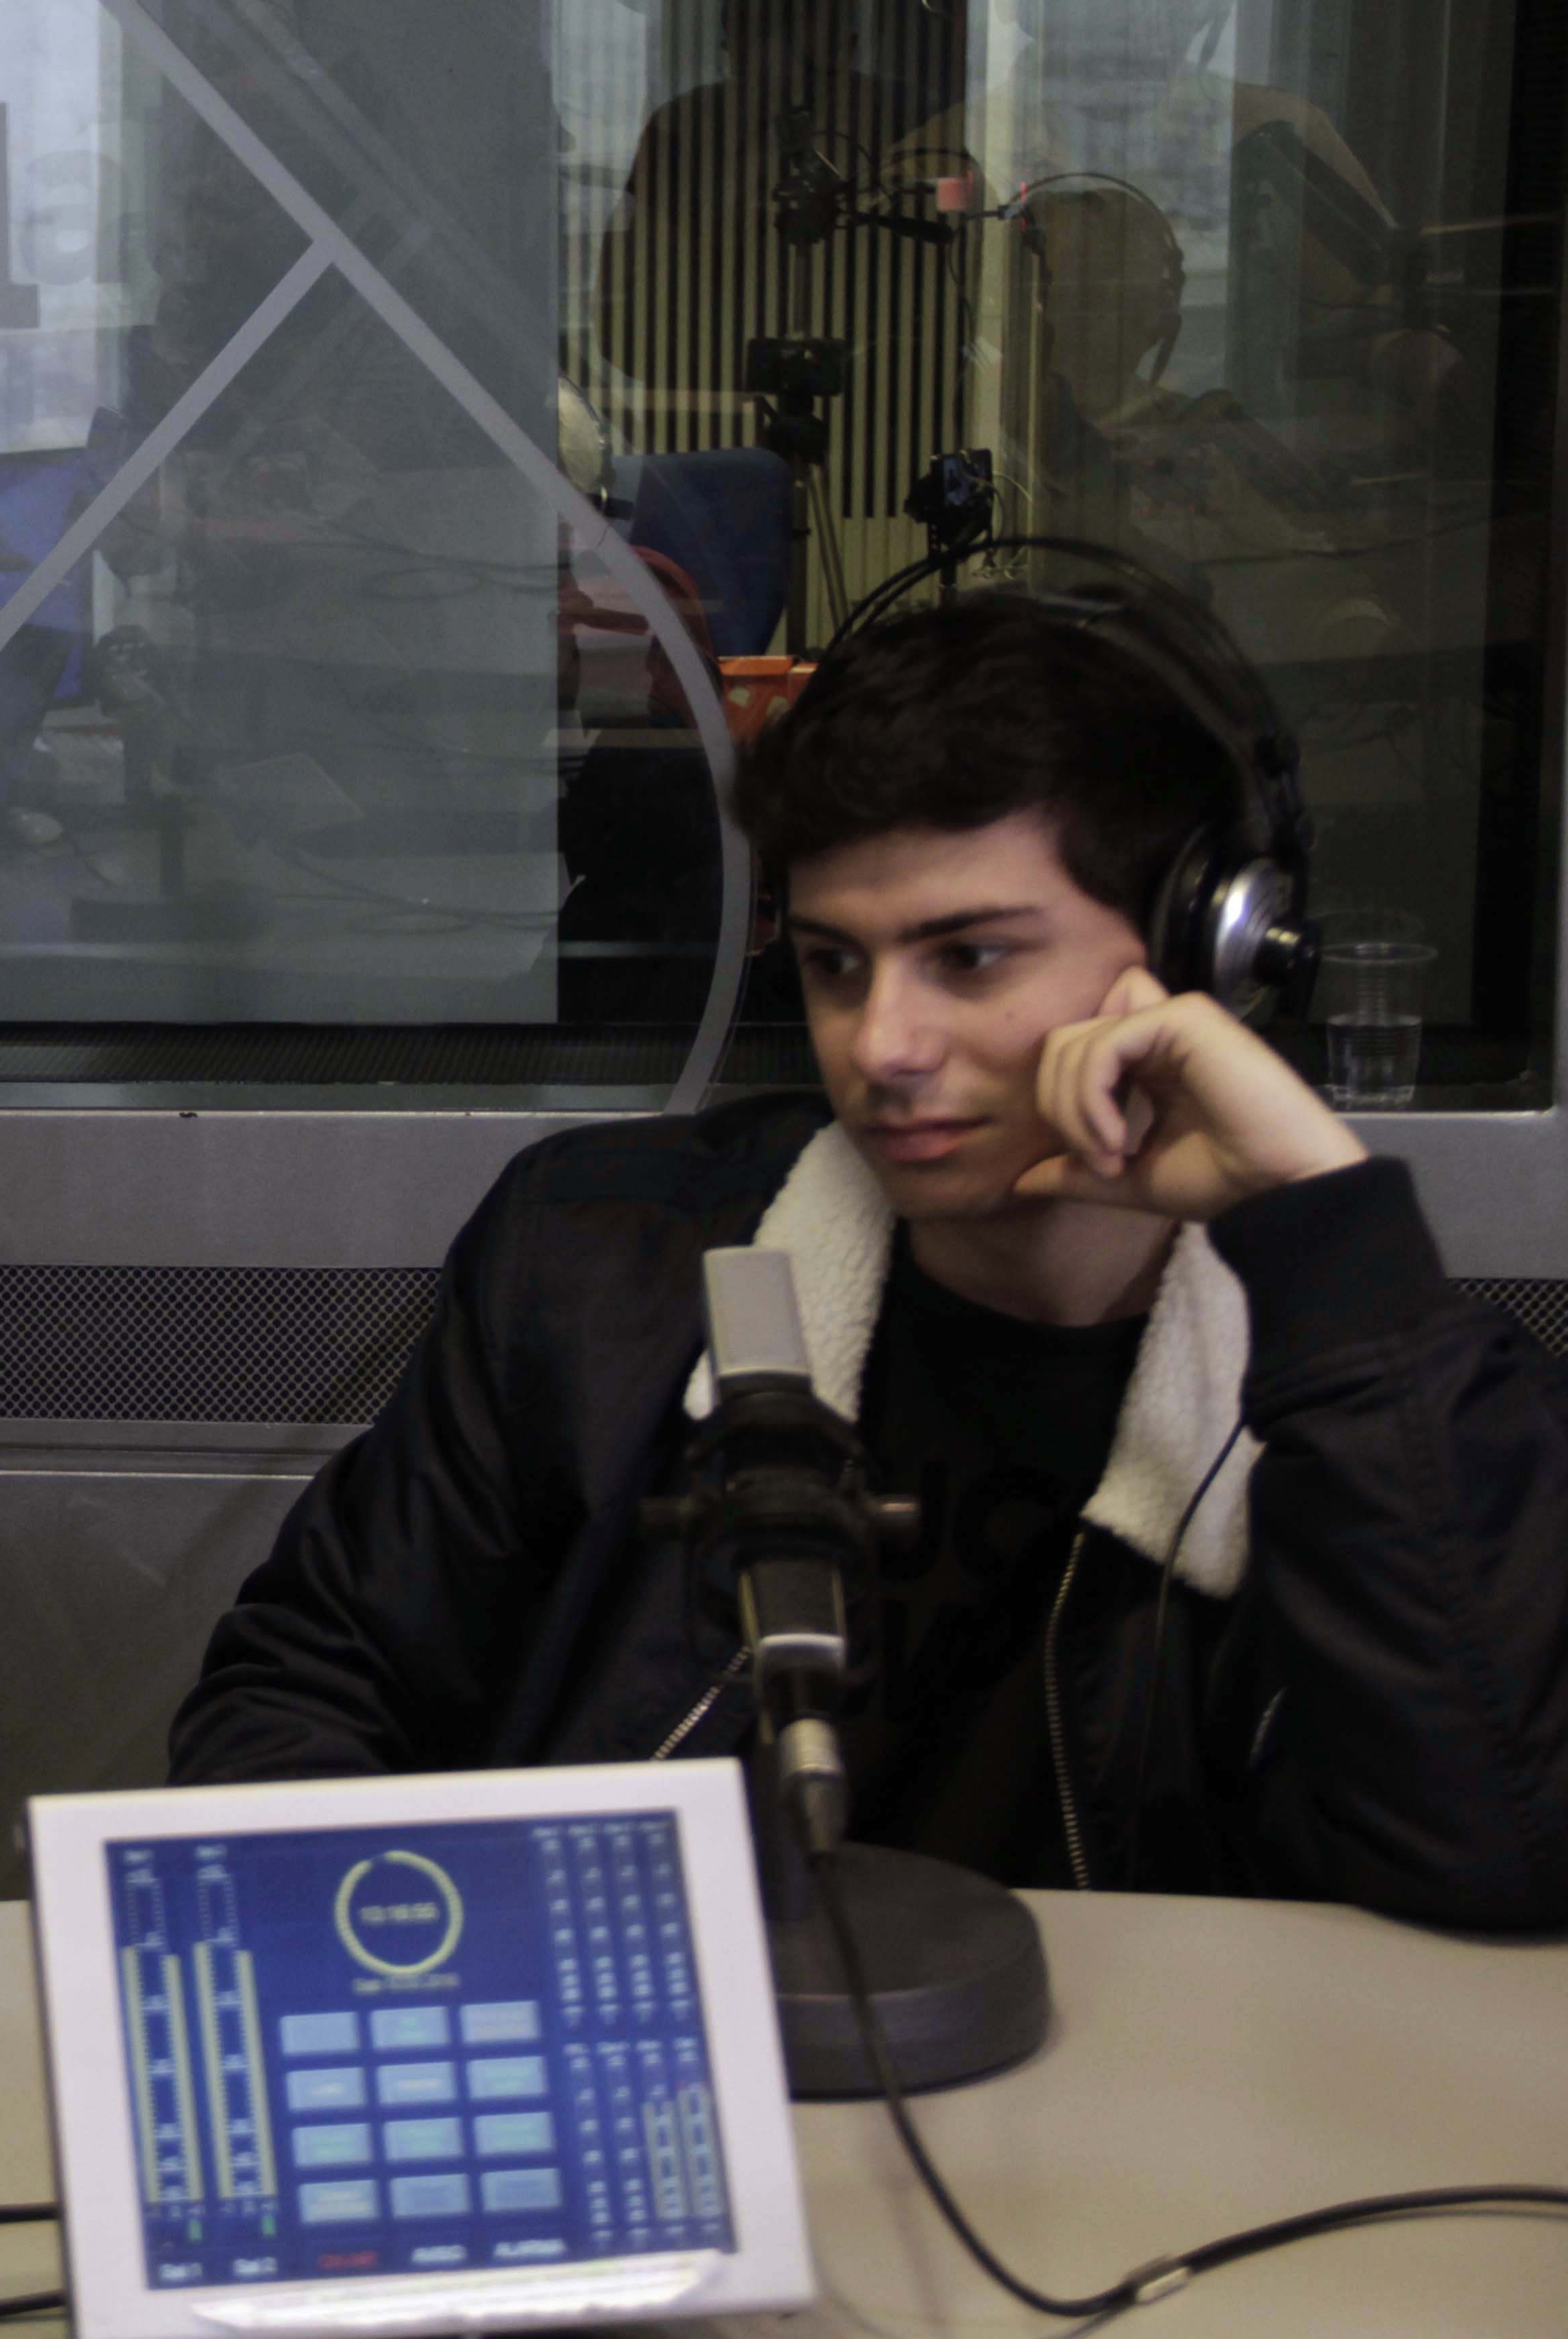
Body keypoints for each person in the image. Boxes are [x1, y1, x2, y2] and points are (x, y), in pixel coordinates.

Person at [170, 587, 1568, 1931]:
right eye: (837, 964)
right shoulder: (599, 1263)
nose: (881, 1047)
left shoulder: (1382, 1399)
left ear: (1203, 958)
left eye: (970, 959)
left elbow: (1506, 1854)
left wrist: (1321, 1228)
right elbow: (303, 1696)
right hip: (673, 2045)